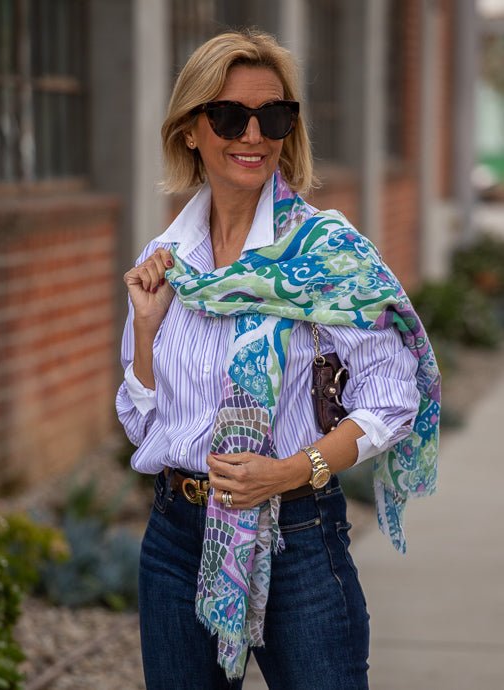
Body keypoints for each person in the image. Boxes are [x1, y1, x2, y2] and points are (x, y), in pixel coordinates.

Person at [116, 29, 440, 690]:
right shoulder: (169, 261)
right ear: (190, 129)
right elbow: (144, 430)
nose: (254, 134)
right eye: (231, 115)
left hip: (296, 538)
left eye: (275, 116)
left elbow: (393, 395)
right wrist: (147, 332)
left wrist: (292, 470)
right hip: (176, 539)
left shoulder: (324, 252)